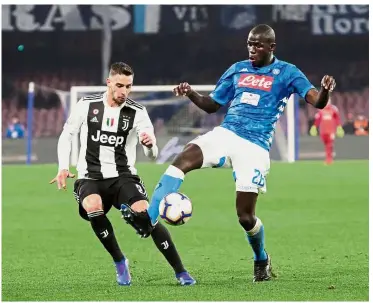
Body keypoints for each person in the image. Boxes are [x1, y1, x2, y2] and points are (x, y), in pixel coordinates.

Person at [122, 24, 337, 283]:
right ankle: (148, 219)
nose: (252, 49)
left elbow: (317, 101)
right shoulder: (238, 69)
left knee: (245, 217)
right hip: (227, 133)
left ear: (272, 47)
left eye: (258, 44)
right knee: (184, 157)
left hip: (254, 146)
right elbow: (213, 105)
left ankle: (261, 259)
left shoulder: (287, 72)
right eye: (249, 43)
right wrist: (190, 93)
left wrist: (325, 90)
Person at [49, 62, 195, 286]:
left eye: (128, 86)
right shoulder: (87, 105)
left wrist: (150, 144)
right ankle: (119, 261)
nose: (124, 92)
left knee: (148, 217)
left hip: (123, 177)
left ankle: (180, 271)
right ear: (108, 82)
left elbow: (153, 155)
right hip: (90, 177)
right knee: (93, 207)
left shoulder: (137, 112)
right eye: (119, 85)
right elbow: (67, 135)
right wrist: (62, 166)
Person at [309, 99, 344, 164]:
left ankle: (329, 159)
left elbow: (337, 119)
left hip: (331, 131)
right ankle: (328, 158)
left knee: (329, 145)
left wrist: (339, 127)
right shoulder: (320, 110)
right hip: (323, 131)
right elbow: (318, 120)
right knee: (326, 145)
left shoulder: (333, 110)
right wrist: (314, 127)